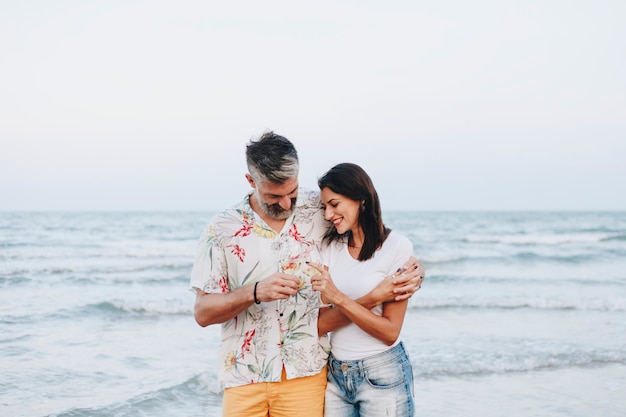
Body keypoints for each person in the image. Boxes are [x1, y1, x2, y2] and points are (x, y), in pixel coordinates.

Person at [190, 131, 424, 417]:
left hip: (307, 373)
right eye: (274, 196)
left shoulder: (319, 209)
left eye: (293, 192)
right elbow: (202, 312)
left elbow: (371, 234)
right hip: (244, 375)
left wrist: (415, 269)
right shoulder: (221, 230)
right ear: (251, 182)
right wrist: (254, 292)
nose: (287, 204)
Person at [310, 162, 417, 416]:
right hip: (336, 376)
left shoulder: (397, 248)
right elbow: (319, 324)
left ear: (361, 200)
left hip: (382, 373)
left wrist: (339, 299)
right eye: (325, 207)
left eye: (334, 204)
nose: (328, 214)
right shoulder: (330, 248)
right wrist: (373, 298)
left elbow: (389, 331)